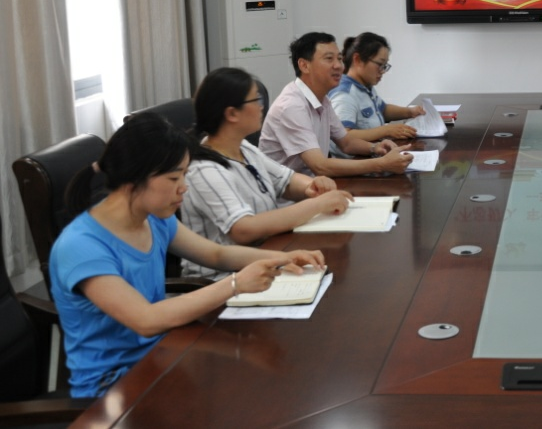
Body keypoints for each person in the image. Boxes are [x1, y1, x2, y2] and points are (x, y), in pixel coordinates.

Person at [50, 113, 326, 398]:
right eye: (174, 178)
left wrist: (283, 258)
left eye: (184, 174)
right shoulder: (82, 246)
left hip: (160, 357)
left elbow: (216, 254)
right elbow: (145, 320)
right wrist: (235, 284)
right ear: (134, 180)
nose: (184, 186)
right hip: (111, 388)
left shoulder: (152, 218)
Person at [182, 67, 355, 278]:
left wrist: (312, 186)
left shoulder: (243, 148)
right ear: (232, 113)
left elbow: (286, 180)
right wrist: (317, 204)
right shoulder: (204, 170)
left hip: (266, 257)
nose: (262, 107)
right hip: (225, 278)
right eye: (256, 101)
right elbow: (243, 229)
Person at [258, 32, 412, 177]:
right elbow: (320, 166)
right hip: (287, 194)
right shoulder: (291, 106)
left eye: (339, 58)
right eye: (329, 59)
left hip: (313, 185)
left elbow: (346, 142)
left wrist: (375, 148)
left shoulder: (322, 99)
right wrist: (381, 164)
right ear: (304, 65)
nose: (338, 66)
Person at [329, 32, 425, 141]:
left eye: (385, 66)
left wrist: (410, 112)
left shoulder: (365, 87)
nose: (382, 71)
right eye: (380, 64)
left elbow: (383, 110)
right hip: (359, 153)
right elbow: (343, 136)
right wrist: (386, 131)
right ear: (357, 59)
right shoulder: (345, 95)